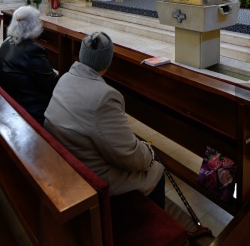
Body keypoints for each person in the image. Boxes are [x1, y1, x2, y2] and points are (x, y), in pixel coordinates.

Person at [44, 32, 165, 208]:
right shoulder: (105, 96)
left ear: (82, 55)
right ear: (108, 62)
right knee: (156, 171)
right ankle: (155, 228)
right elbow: (128, 155)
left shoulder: (65, 78)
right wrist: (149, 154)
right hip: (95, 178)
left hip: (70, 161)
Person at [0, 6, 59, 125]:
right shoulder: (34, 51)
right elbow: (52, 84)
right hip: (30, 108)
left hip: (10, 99)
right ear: (33, 25)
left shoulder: (7, 42)